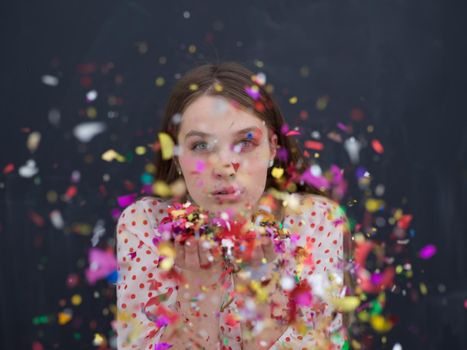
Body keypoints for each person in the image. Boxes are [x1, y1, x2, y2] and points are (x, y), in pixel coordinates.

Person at [115, 62, 353, 349]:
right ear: (177, 157)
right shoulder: (146, 225)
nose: (224, 167)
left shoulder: (315, 222)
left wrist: (262, 312)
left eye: (245, 142)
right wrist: (197, 300)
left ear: (272, 148)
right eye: (201, 146)